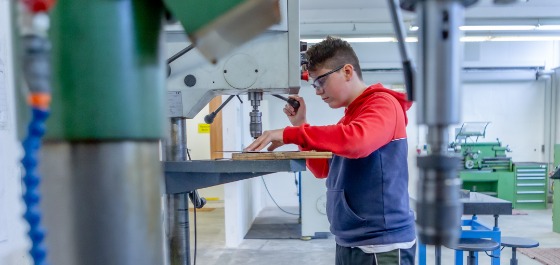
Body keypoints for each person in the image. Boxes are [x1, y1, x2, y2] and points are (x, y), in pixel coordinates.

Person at [245, 36, 416, 265]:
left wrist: (289, 134)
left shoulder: (383, 104)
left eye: (320, 82)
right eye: (314, 84)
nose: (317, 91)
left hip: (381, 245)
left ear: (347, 71)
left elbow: (357, 142)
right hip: (352, 240)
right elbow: (323, 168)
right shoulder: (350, 117)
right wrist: (300, 125)